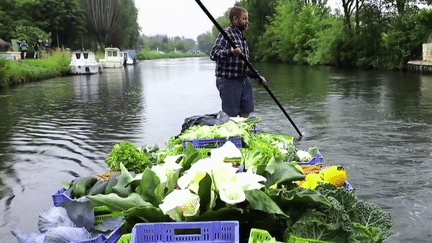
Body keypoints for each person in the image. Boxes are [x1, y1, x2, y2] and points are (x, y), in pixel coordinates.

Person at [210, 6, 267, 118]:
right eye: (244, 19)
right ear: (235, 20)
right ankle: (232, 134)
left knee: (246, 111)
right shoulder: (226, 34)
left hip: (243, 80)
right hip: (228, 82)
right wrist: (230, 52)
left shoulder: (241, 37)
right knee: (231, 116)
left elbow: (243, 63)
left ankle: (246, 133)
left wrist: (256, 76)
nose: (247, 22)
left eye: (247, 19)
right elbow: (214, 54)